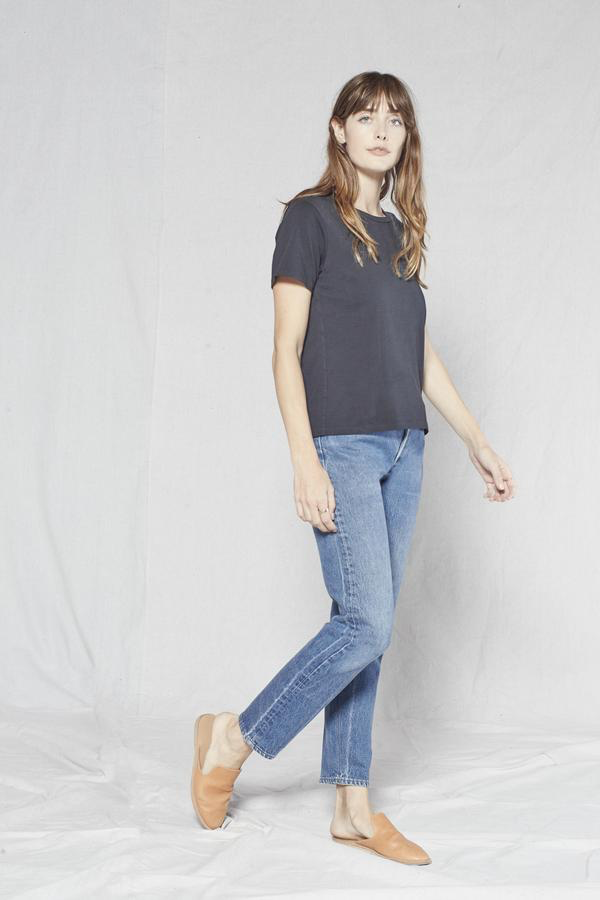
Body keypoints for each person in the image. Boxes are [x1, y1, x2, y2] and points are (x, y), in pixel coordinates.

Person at [191, 71, 516, 864]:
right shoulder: (308, 220)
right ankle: (233, 736)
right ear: (338, 129)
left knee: (369, 630)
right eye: (365, 117)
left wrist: (476, 439)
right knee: (365, 623)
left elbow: (419, 355)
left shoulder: (400, 234)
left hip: (406, 446)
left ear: (406, 139)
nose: (380, 131)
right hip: (341, 445)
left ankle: (351, 806)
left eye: (394, 120)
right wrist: (305, 459)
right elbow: (285, 350)